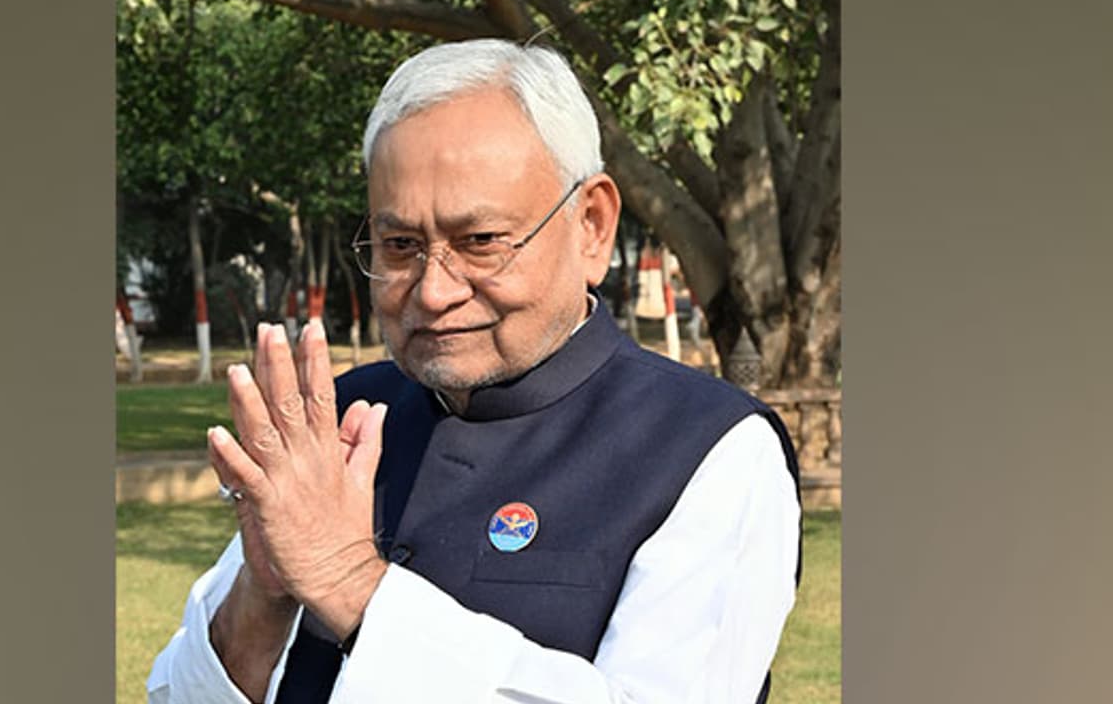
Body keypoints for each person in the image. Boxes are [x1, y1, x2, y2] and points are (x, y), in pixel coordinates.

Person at [147, 38, 802, 704]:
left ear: (592, 227)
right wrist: (261, 596)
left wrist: (349, 585)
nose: (434, 291)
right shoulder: (347, 417)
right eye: (400, 245)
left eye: (480, 242)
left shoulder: (704, 447)